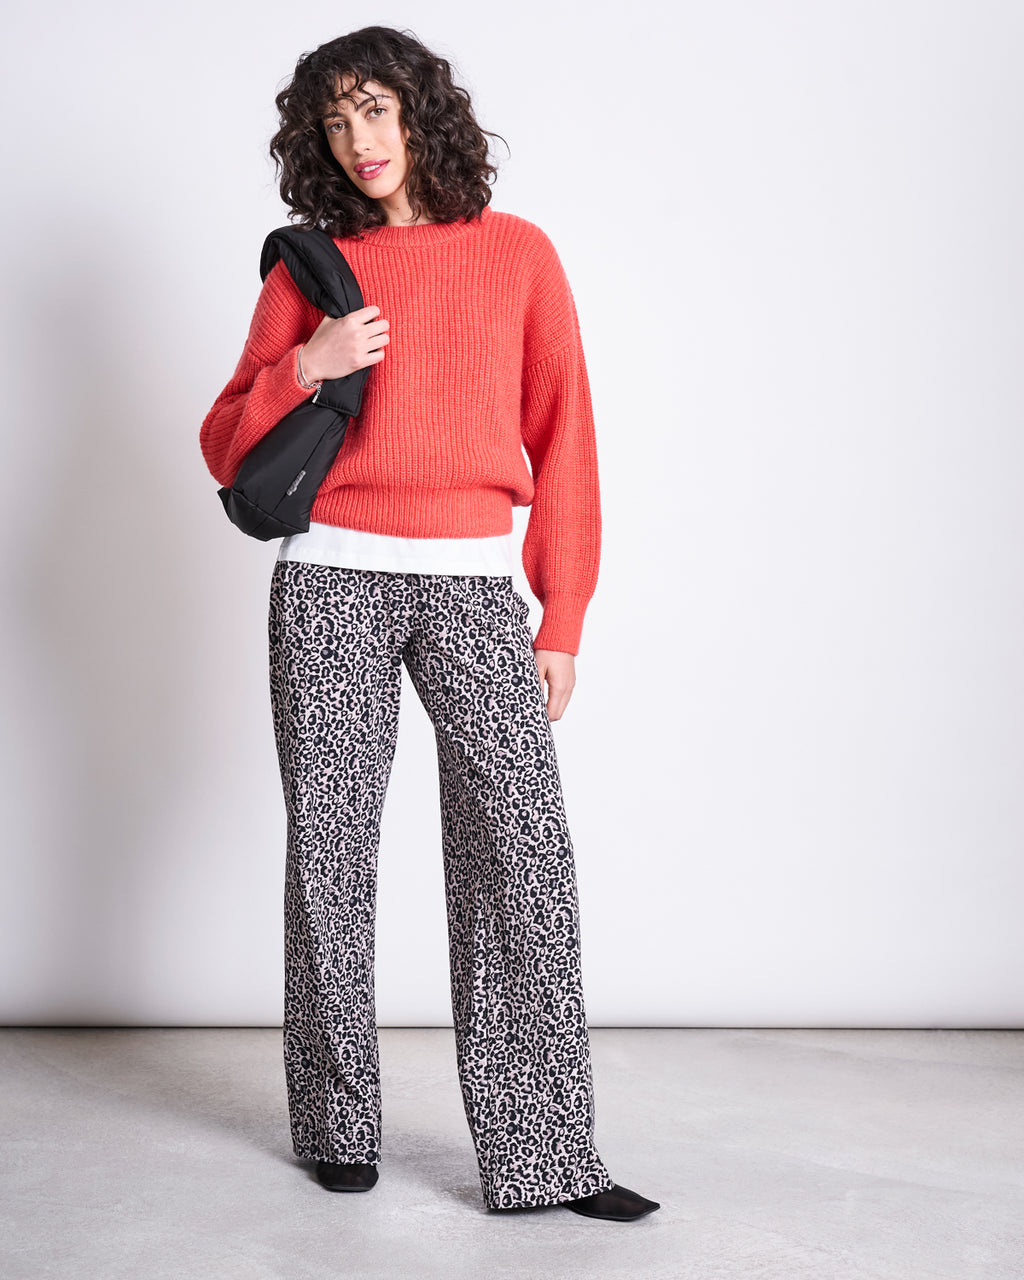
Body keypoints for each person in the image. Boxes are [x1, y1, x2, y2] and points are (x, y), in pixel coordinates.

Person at [199, 25, 659, 1223]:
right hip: (333, 579)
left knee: (524, 854)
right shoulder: (310, 268)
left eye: (378, 111)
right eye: (336, 120)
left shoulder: (516, 254)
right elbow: (222, 441)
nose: (361, 141)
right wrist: (304, 363)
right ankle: (338, 1123)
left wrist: (560, 613)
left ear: (422, 114)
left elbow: (566, 436)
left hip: (472, 584)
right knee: (332, 854)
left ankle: (548, 1150)